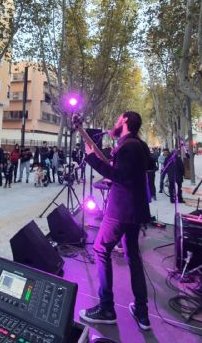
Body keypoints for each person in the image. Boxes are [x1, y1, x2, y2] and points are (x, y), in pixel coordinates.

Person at [79, 111, 153, 331]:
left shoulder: (129, 146)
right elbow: (129, 172)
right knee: (132, 256)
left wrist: (91, 157)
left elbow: (119, 177)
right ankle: (142, 313)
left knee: (101, 249)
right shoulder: (138, 145)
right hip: (135, 210)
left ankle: (106, 308)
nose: (114, 122)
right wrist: (112, 158)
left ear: (126, 122)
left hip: (121, 210)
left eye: (118, 119)